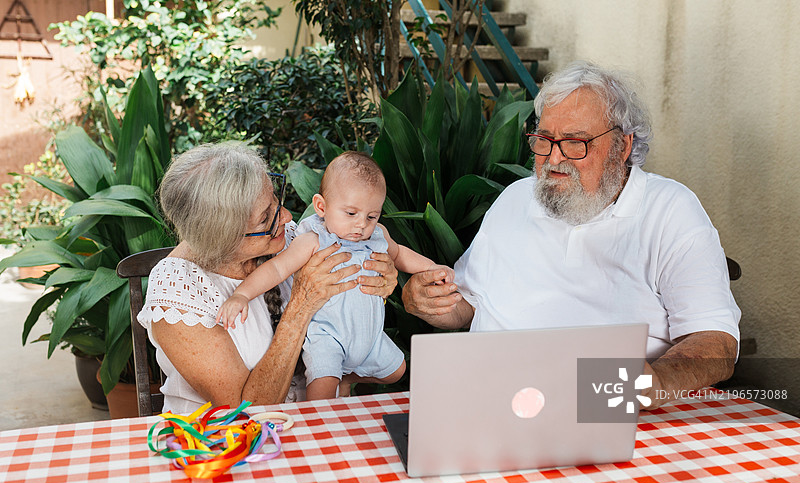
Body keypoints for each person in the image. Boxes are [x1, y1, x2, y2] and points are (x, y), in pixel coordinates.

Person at [401, 61, 741, 409]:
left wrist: (656, 383)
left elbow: (716, 341)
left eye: (575, 143)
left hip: (604, 411)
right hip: (488, 400)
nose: (554, 159)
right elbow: (471, 304)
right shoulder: (516, 197)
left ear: (622, 146)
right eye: (544, 140)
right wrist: (429, 302)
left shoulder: (669, 210)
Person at [137, 143, 399, 414]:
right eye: (265, 218)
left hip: (310, 422)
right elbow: (243, 411)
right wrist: (301, 304)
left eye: (276, 200)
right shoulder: (177, 292)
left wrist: (380, 277)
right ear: (221, 238)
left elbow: (346, 310)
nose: (286, 217)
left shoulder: (284, 239)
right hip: (229, 442)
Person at [217, 151, 453, 400]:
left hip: (368, 335)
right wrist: (242, 295)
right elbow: (276, 269)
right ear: (321, 206)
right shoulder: (313, 240)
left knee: (397, 370)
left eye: (371, 216)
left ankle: (348, 376)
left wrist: (432, 268)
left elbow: (401, 254)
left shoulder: (377, 235)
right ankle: (319, 429)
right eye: (351, 214)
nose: (362, 224)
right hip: (328, 337)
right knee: (321, 395)